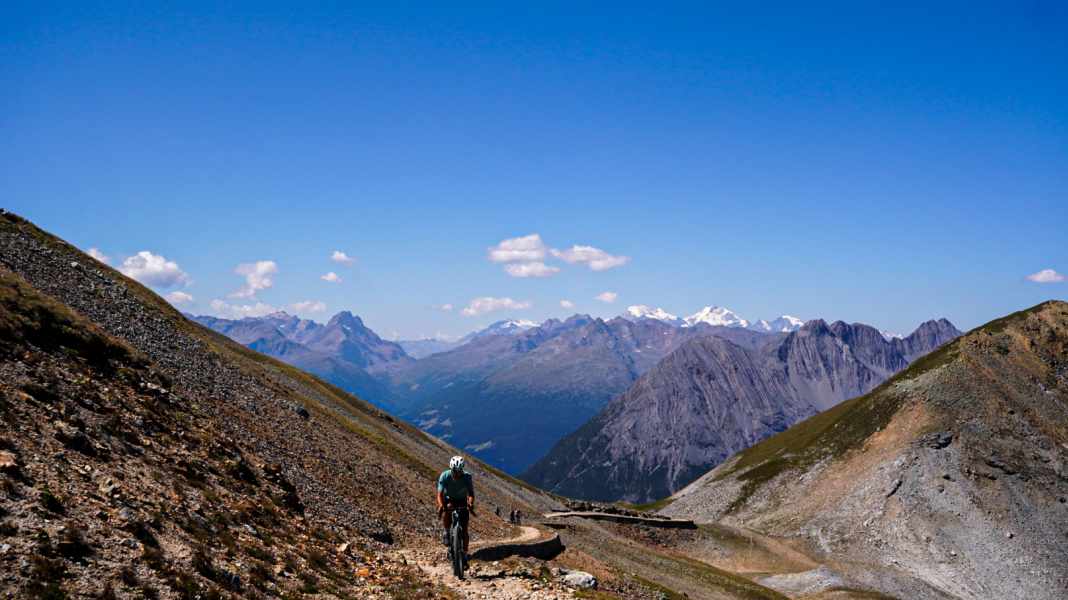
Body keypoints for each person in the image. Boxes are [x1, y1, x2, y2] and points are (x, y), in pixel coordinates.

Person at [437, 455, 475, 559]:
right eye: (455, 471)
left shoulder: (467, 476)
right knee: (448, 508)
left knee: (465, 530)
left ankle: (465, 554)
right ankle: (447, 531)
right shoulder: (444, 476)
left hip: (462, 500)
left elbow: (471, 493)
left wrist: (470, 503)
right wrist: (441, 505)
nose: (457, 474)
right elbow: (439, 494)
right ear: (451, 469)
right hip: (449, 498)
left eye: (459, 471)